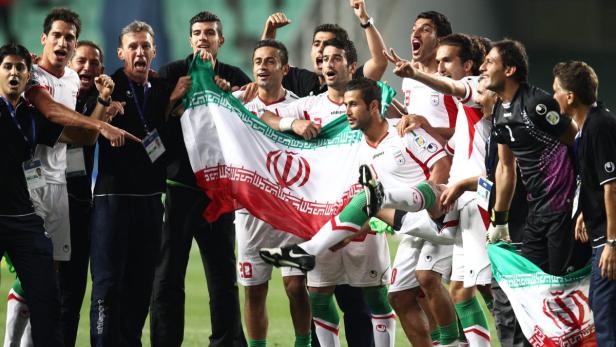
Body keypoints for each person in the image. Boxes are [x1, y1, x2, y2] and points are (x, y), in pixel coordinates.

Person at [4, 8, 133, 347]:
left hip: (58, 183)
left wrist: (103, 104)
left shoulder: (73, 80)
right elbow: (49, 111)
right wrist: (101, 123)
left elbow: (82, 138)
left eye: (69, 38)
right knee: (33, 277)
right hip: (24, 186)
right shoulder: (29, 73)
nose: (63, 42)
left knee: (50, 280)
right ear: (44, 39)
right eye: (57, 35)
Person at [149, 10, 250, 347]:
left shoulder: (233, 76)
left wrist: (228, 101)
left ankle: (226, 343)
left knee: (223, 277)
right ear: (189, 40)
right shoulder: (171, 74)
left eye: (210, 32)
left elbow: (248, 132)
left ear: (221, 39)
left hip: (219, 194)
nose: (203, 37)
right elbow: (153, 127)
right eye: (197, 32)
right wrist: (174, 96)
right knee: (167, 276)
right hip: (179, 189)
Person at [385, 33, 492, 346]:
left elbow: (454, 87)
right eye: (440, 60)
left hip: (477, 197)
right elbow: (454, 146)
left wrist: (416, 73)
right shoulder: (466, 111)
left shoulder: (474, 88)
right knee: (462, 288)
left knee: (481, 286)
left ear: (470, 64)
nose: (441, 67)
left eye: (447, 61)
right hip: (464, 199)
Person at [89, 20, 171, 346]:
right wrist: (104, 107)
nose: (139, 51)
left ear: (154, 51)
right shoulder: (108, 87)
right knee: (108, 285)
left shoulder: (162, 89)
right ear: (121, 52)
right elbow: (87, 127)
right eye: (132, 46)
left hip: (151, 201)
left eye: (145, 46)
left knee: (141, 284)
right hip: (113, 200)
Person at [479, 39, 590, 275]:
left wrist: (586, 205)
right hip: (536, 212)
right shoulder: (499, 111)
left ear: (509, 70)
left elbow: (580, 144)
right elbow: (505, 168)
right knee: (531, 283)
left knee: (562, 285)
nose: (482, 68)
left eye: (489, 62)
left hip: (563, 210)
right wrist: (499, 220)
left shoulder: (537, 105)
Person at [229, 39, 313, 347]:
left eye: (270, 61)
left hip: (289, 210)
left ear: (284, 68)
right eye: (258, 62)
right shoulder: (238, 103)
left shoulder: (300, 106)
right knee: (254, 288)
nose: (262, 67)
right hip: (250, 212)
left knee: (295, 285)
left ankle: (303, 343)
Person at [60, 40, 121, 347]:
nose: (87, 67)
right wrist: (104, 109)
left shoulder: (94, 101)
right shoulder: (58, 97)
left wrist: (105, 101)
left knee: (73, 290)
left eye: (94, 62)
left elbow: (89, 133)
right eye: (80, 61)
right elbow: (86, 134)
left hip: (82, 205)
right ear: (69, 65)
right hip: (51, 203)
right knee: (46, 291)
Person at [551, 60, 616, 345]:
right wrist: (583, 212)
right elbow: (593, 183)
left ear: (570, 96)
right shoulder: (588, 126)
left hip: (609, 238)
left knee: (604, 314)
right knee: (600, 305)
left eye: (556, 91)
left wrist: (612, 243)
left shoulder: (600, 126)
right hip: (600, 231)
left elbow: (612, 187)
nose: (553, 97)